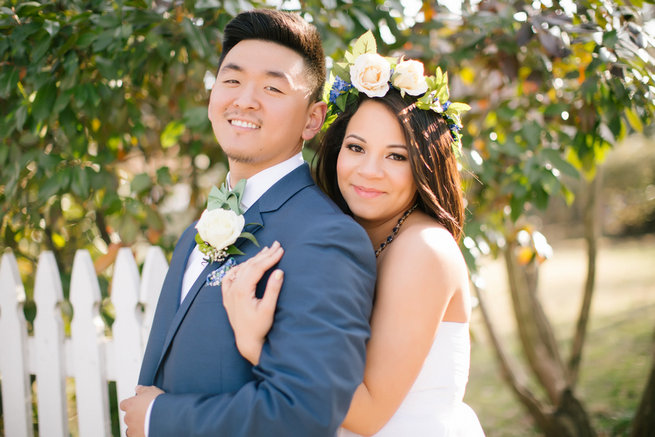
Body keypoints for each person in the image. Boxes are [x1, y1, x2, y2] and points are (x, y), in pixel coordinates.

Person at [119, 10, 377, 437]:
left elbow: (305, 412)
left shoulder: (326, 236)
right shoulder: (196, 232)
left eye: (273, 88)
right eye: (232, 80)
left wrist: (157, 419)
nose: (245, 100)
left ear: (313, 119)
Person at [220, 33, 485, 436]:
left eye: (396, 156)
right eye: (356, 148)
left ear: (425, 165)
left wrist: (255, 344)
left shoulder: (423, 249)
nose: (369, 171)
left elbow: (368, 414)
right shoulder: (343, 236)